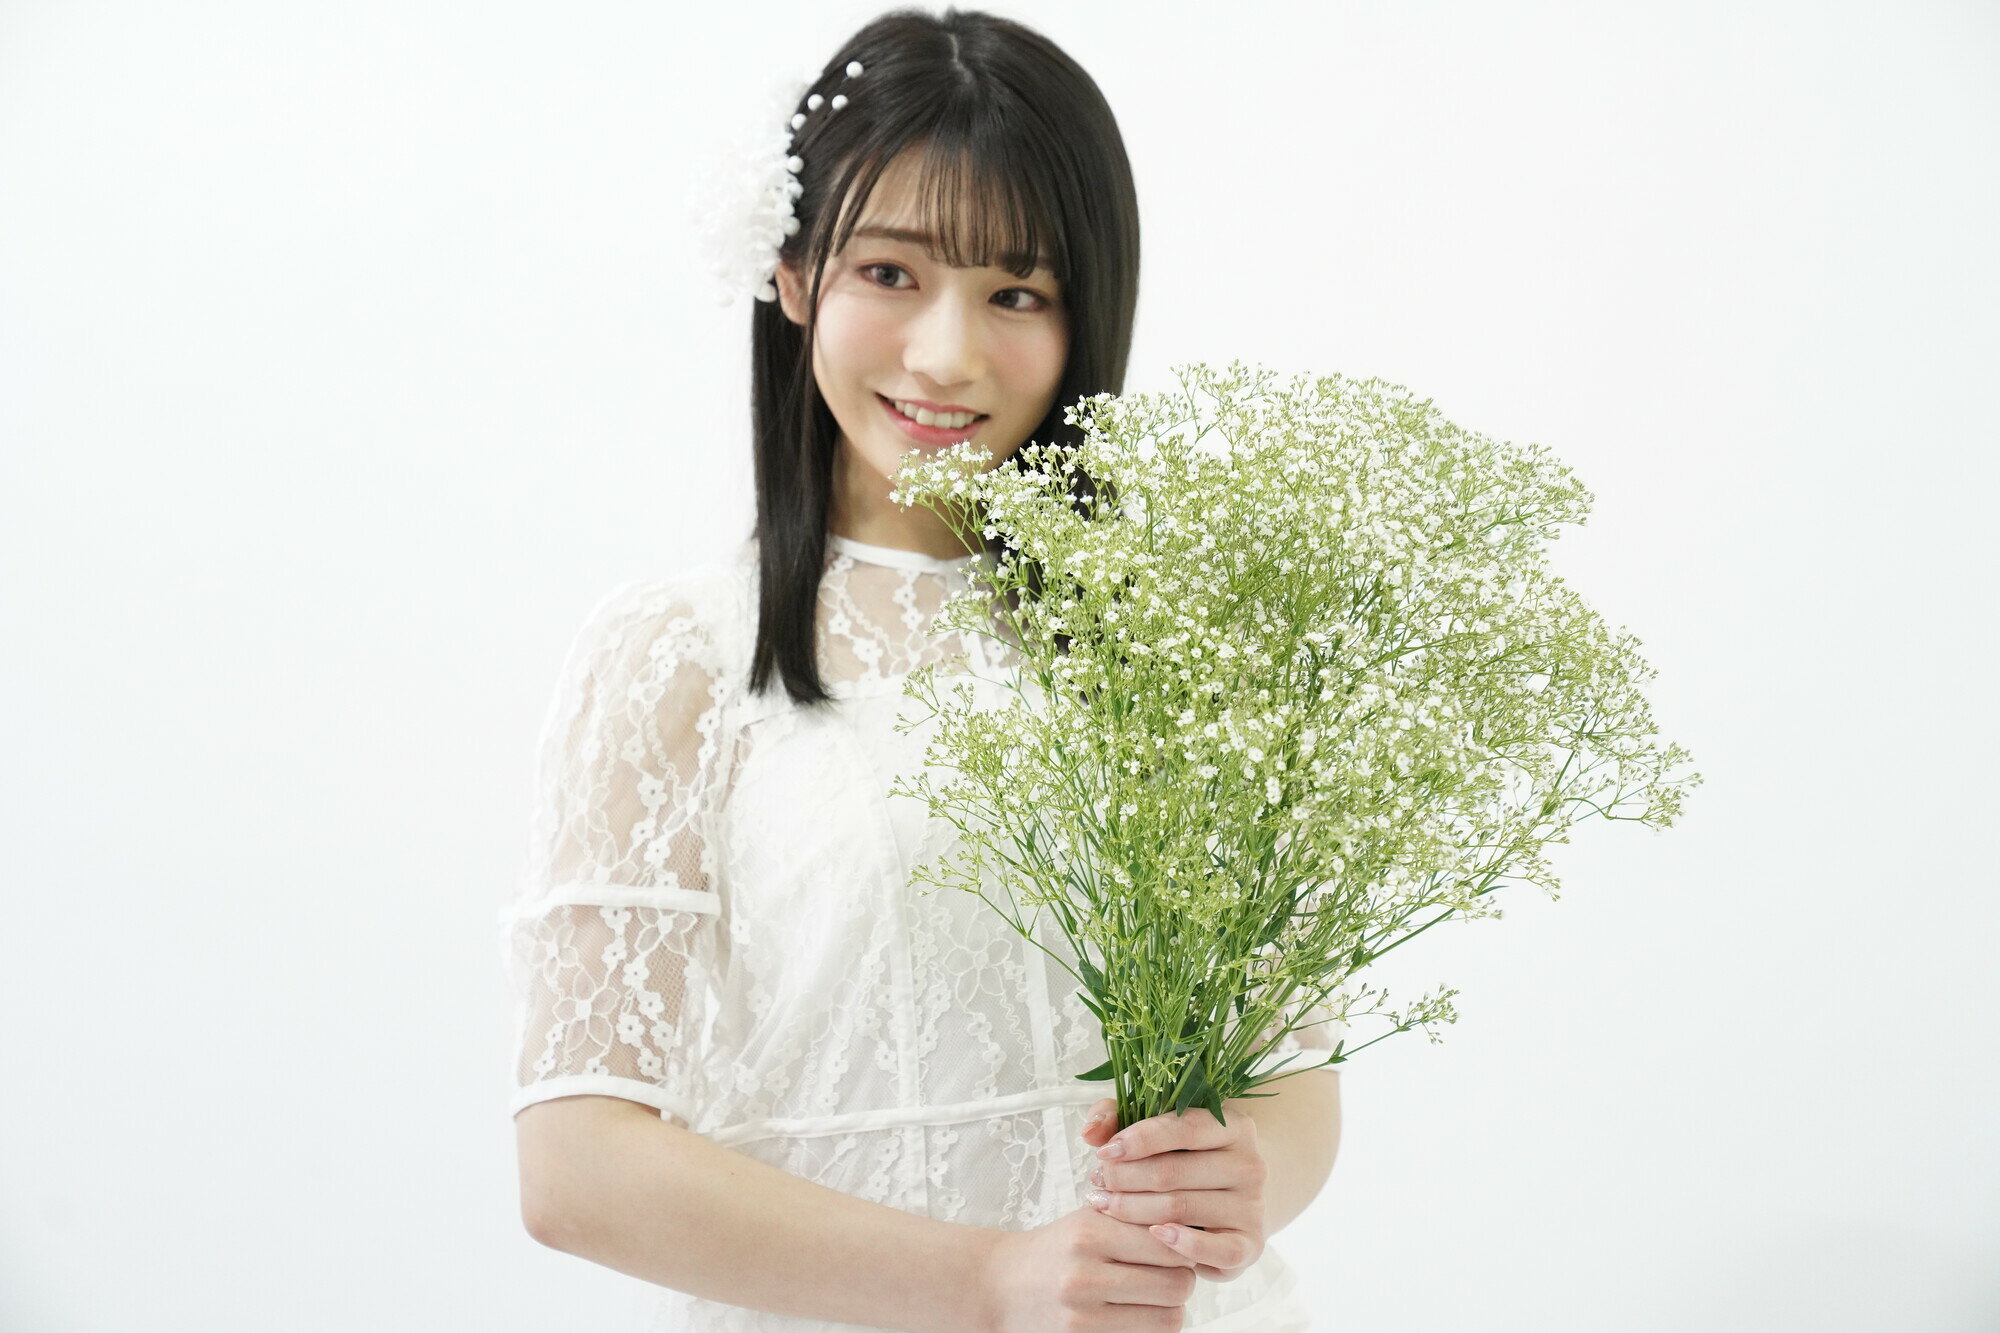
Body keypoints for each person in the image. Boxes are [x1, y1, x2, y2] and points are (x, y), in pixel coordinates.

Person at [499, 8, 1343, 1330]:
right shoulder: (679, 654)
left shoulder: (1178, 645)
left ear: (1086, 316)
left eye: (1018, 293)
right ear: (792, 276)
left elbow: (1290, 1071)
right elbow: (577, 1164)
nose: (947, 354)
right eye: (890, 272)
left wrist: (1247, 1176)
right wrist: (993, 1282)